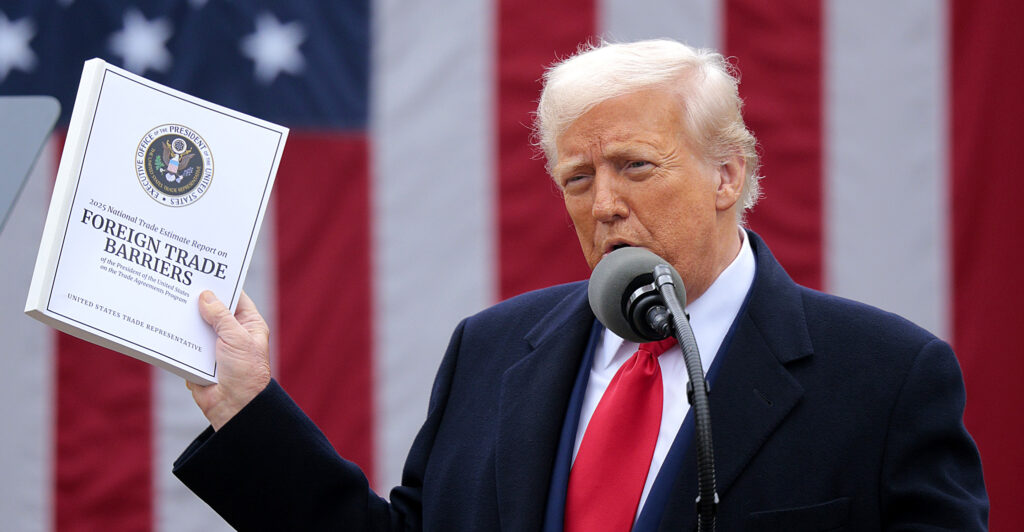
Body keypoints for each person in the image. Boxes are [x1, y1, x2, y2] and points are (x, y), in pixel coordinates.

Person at [174, 39, 988, 530]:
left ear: (727, 175)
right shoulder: (489, 353)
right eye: (576, 177)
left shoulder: (884, 378)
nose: (604, 205)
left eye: (635, 166)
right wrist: (245, 411)